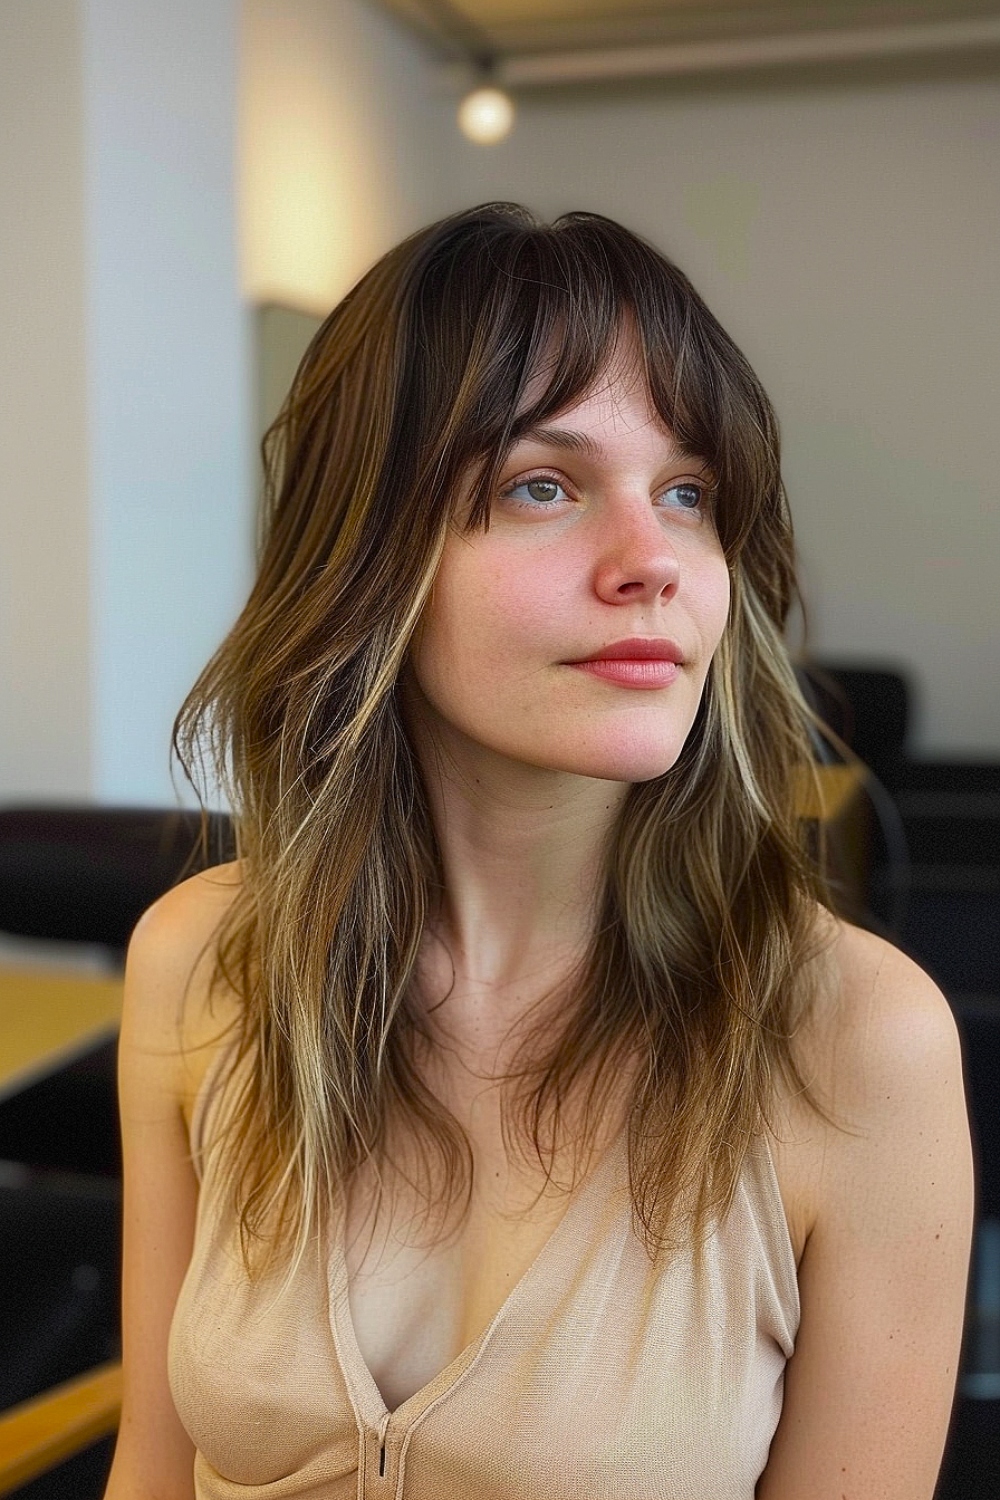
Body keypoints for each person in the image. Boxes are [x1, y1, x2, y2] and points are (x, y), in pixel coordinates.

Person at [104, 203, 974, 1500]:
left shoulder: (856, 1038)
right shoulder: (201, 962)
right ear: (365, 556)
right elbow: (154, 1467)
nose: (655, 562)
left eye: (689, 493)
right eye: (542, 485)